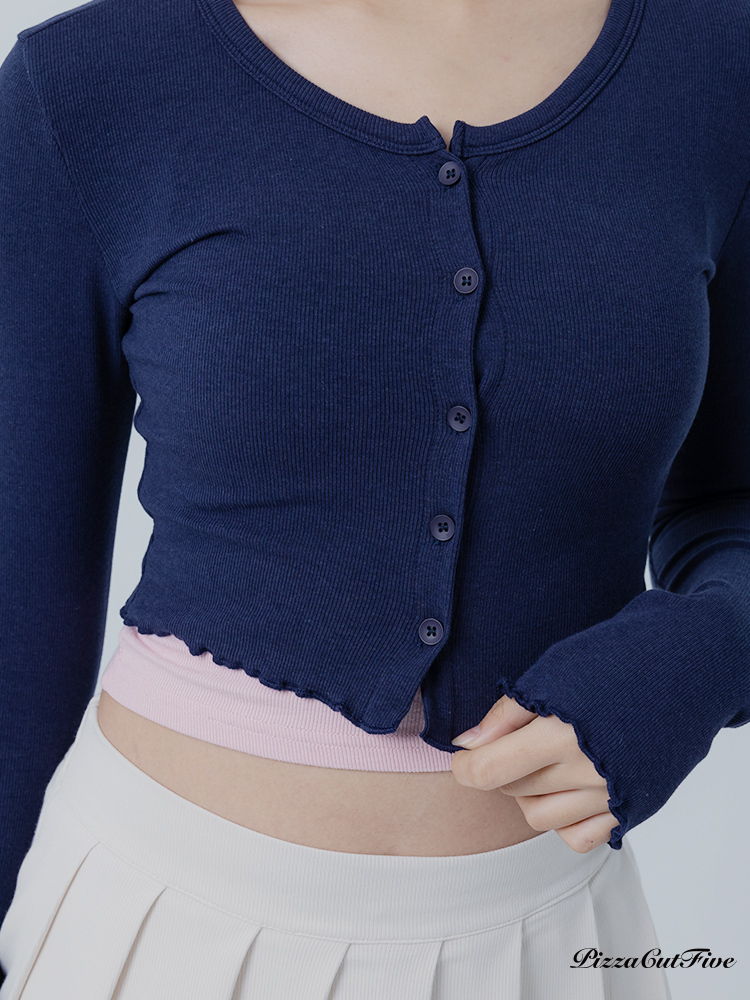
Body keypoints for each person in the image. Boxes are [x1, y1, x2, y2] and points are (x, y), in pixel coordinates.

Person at [1, 0, 748, 997]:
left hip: (564, 938)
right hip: (160, 926)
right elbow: (14, 608)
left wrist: (708, 650)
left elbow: (733, 504)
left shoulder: (718, 66)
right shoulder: (87, 83)